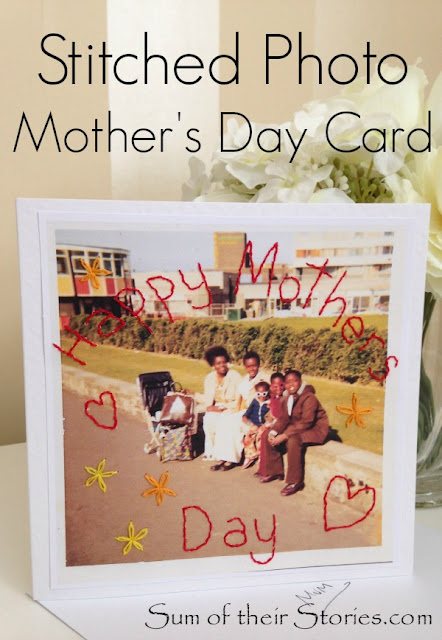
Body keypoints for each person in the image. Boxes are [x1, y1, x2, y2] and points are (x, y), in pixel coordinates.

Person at [259, 370, 329, 496]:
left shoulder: (309, 397)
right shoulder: (288, 397)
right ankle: (275, 471)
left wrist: (284, 435)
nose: (291, 385)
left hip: (315, 429)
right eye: (288, 382)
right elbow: (284, 418)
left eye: (294, 381)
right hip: (297, 427)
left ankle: (294, 482)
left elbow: (306, 422)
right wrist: (274, 432)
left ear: (300, 382)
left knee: (293, 440)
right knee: (266, 434)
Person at [211, 350, 268, 471]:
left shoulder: (264, 379)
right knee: (223, 420)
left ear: (258, 364)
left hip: (254, 412)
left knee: (234, 424)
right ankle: (221, 456)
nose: (251, 369)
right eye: (248, 366)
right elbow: (239, 398)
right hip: (242, 409)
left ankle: (231, 458)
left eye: (254, 365)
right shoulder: (245, 379)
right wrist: (233, 410)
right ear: (245, 367)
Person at [197, 346, 241, 462]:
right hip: (215, 407)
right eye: (218, 363)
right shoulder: (209, 378)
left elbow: (239, 400)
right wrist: (194, 395)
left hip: (231, 407)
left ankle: (220, 453)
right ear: (213, 365)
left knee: (223, 422)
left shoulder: (234, 376)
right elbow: (207, 399)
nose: (222, 365)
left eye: (224, 362)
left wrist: (223, 407)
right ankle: (210, 452)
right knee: (208, 419)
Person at [242, 381, 271, 469]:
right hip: (255, 424)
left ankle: (261, 456)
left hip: (264, 425)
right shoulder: (255, 401)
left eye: (264, 393)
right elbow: (249, 410)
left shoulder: (269, 403)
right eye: (259, 394)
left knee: (260, 438)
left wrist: (266, 424)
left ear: (268, 392)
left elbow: (271, 416)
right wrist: (245, 416)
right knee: (248, 437)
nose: (261, 396)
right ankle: (250, 455)